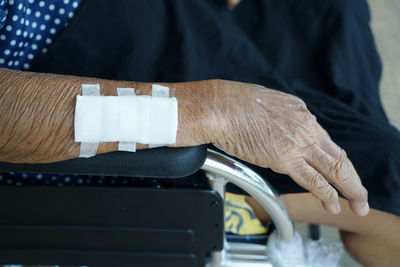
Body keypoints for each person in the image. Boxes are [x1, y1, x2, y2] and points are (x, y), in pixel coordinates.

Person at [0, 0, 399, 266]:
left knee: (331, 11)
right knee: (387, 169)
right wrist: (211, 109)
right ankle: (260, 202)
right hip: (75, 59)